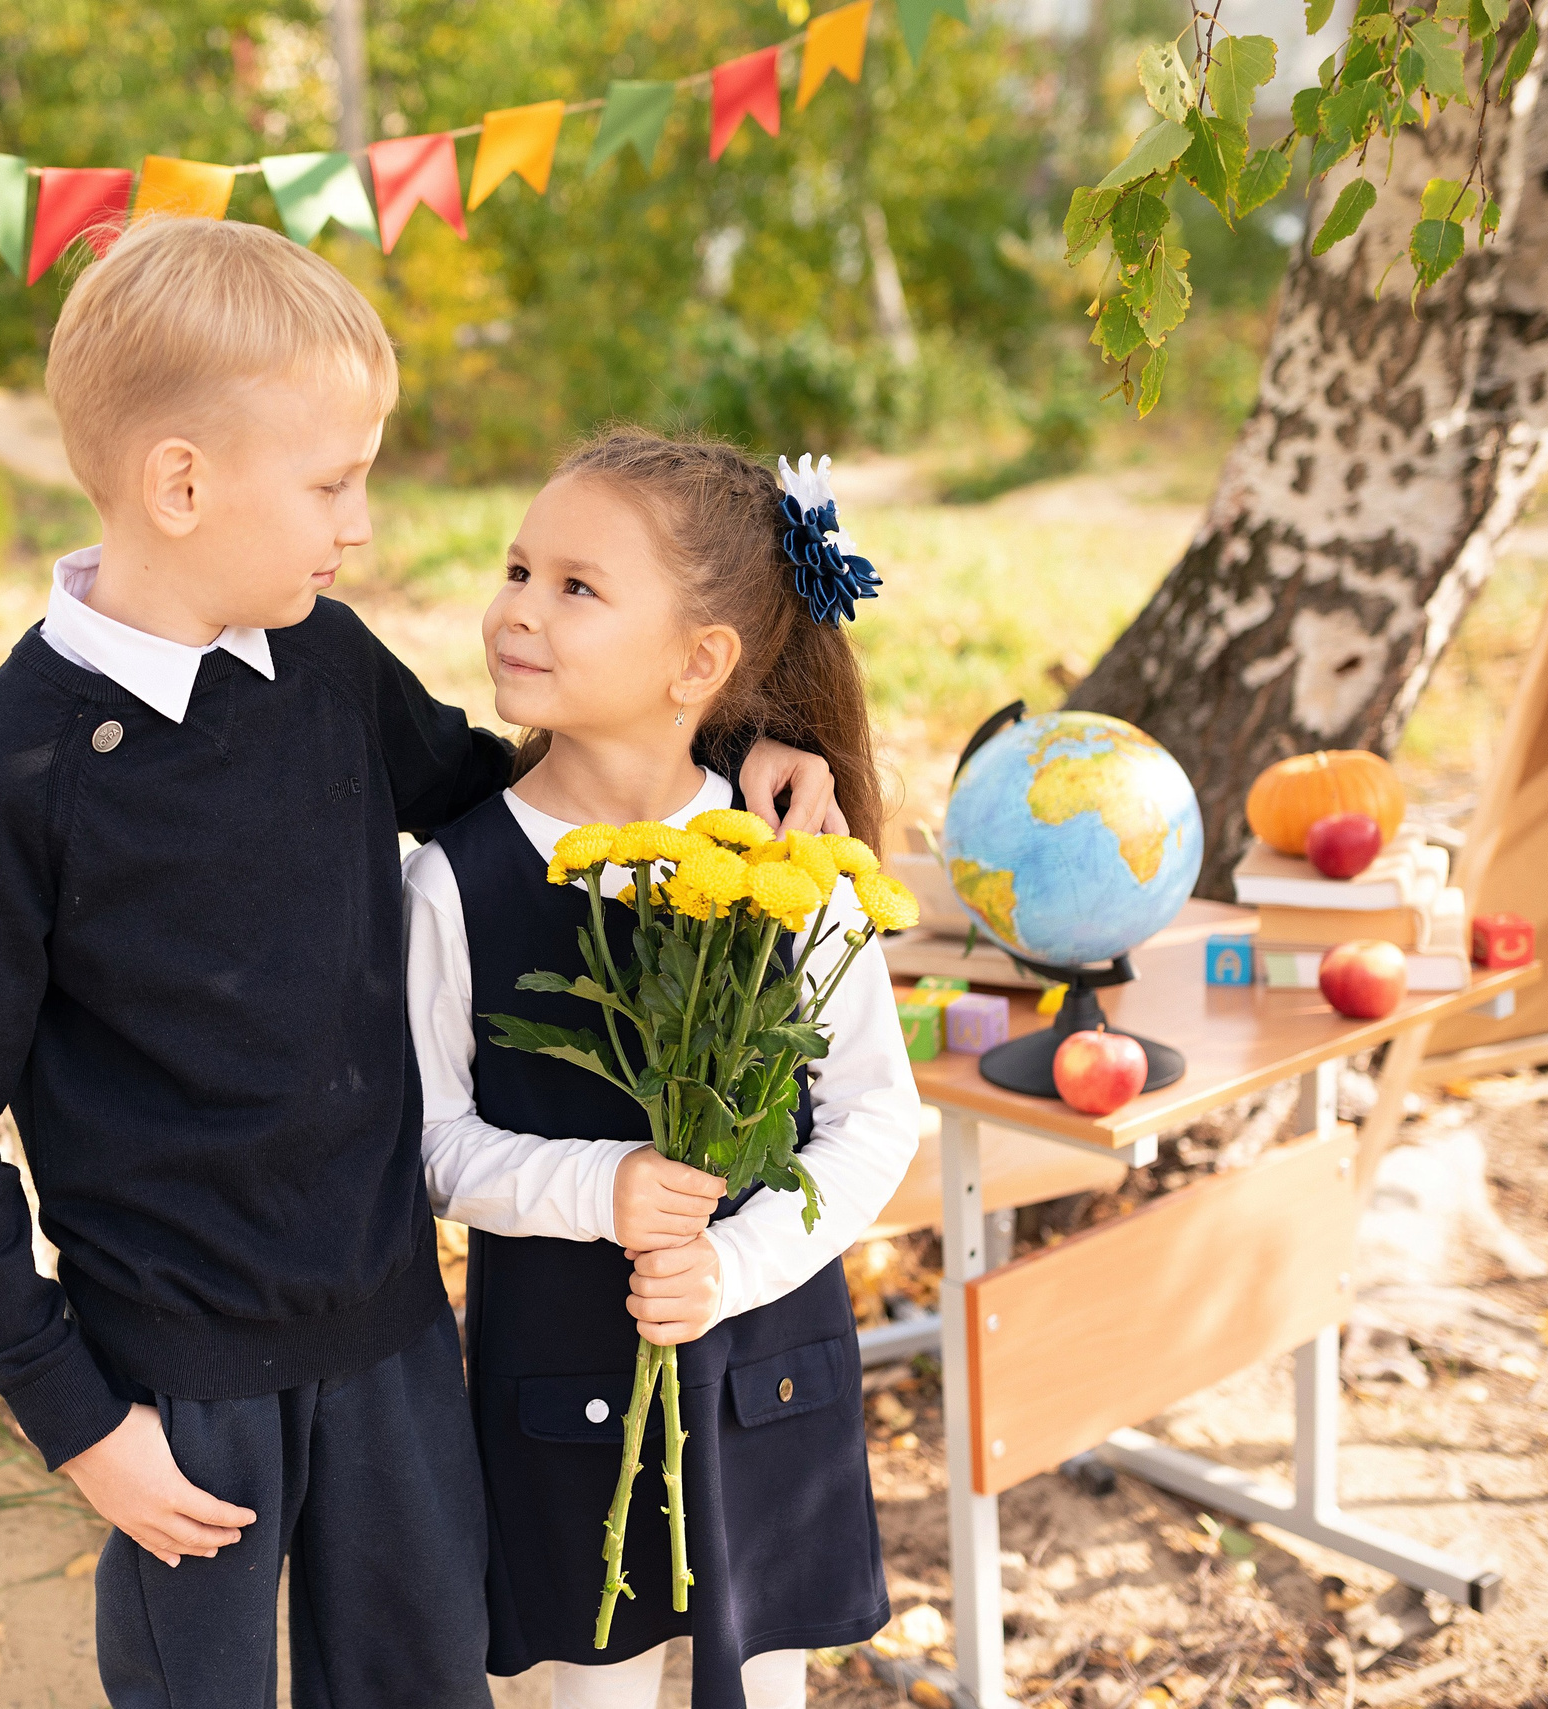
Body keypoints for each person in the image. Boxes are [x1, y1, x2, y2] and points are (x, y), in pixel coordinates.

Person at [0, 217, 837, 1708]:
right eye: (333, 482)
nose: (362, 525)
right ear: (181, 483)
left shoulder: (320, 664)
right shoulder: (12, 767)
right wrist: (81, 1424)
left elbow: (501, 788)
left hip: (392, 1344)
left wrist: (734, 748)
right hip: (175, 1389)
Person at [408, 430, 920, 1709]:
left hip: (765, 1376)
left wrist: (732, 1266)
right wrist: (604, 1187)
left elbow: (872, 1115)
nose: (518, 608)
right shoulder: (453, 878)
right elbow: (430, 1142)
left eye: (576, 586)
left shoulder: (793, 856)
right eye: (517, 568)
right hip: (560, 1394)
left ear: (700, 660)